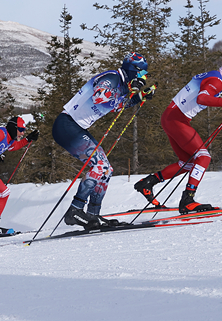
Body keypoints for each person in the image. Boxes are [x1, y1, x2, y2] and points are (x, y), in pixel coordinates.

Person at [134, 56, 222, 214]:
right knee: (204, 157)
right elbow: (202, 98)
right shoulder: (217, 81)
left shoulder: (214, 75)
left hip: (170, 117)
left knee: (187, 163)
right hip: (177, 119)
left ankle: (148, 183)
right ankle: (187, 199)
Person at [54, 53, 152, 230]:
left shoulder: (121, 84)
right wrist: (132, 90)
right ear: (133, 70)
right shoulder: (112, 78)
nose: (143, 77)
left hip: (76, 127)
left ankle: (92, 214)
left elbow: (115, 106)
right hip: (67, 124)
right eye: (141, 73)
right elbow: (100, 98)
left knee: (107, 169)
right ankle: (75, 211)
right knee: (99, 165)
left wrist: (137, 97)